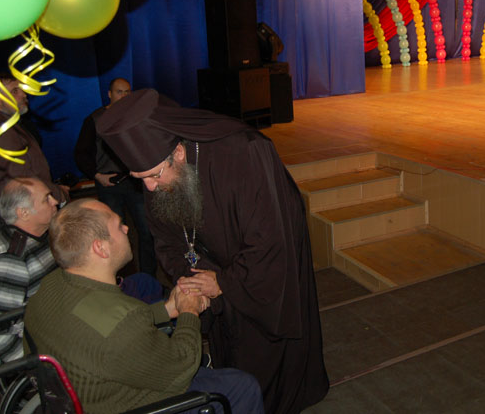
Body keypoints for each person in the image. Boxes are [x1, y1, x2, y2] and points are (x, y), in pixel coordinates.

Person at [95, 88, 328, 414]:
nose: (149, 188)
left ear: (178, 153)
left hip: (260, 275)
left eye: (152, 176)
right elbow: (166, 239)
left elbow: (270, 239)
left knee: (266, 360)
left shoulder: (245, 152)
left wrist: (224, 282)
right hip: (210, 272)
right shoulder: (156, 171)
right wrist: (193, 278)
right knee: (229, 352)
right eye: (138, 179)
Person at [24, 199, 264, 414]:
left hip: (75, 393)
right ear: (100, 248)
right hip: (129, 402)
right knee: (242, 386)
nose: (127, 229)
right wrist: (189, 311)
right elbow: (181, 369)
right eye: (119, 225)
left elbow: (103, 326)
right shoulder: (122, 325)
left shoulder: (53, 284)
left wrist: (167, 309)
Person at [0, 177, 59, 362]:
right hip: (49, 348)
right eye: (46, 199)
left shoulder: (40, 236)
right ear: (24, 213)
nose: (55, 201)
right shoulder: (11, 258)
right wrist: (30, 358)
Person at [74, 77, 156, 276]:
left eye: (127, 92)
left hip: (135, 182)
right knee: (115, 236)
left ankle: (149, 280)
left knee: (147, 231)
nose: (124, 96)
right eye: (120, 92)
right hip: (109, 184)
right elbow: (81, 153)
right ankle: (123, 281)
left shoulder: (136, 117)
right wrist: (96, 175)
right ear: (109, 94)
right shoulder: (95, 119)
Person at [0, 74, 68, 238]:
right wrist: (58, 193)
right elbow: (21, 179)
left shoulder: (5, 124)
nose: (24, 95)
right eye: (15, 91)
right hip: (18, 219)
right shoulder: (1, 130)